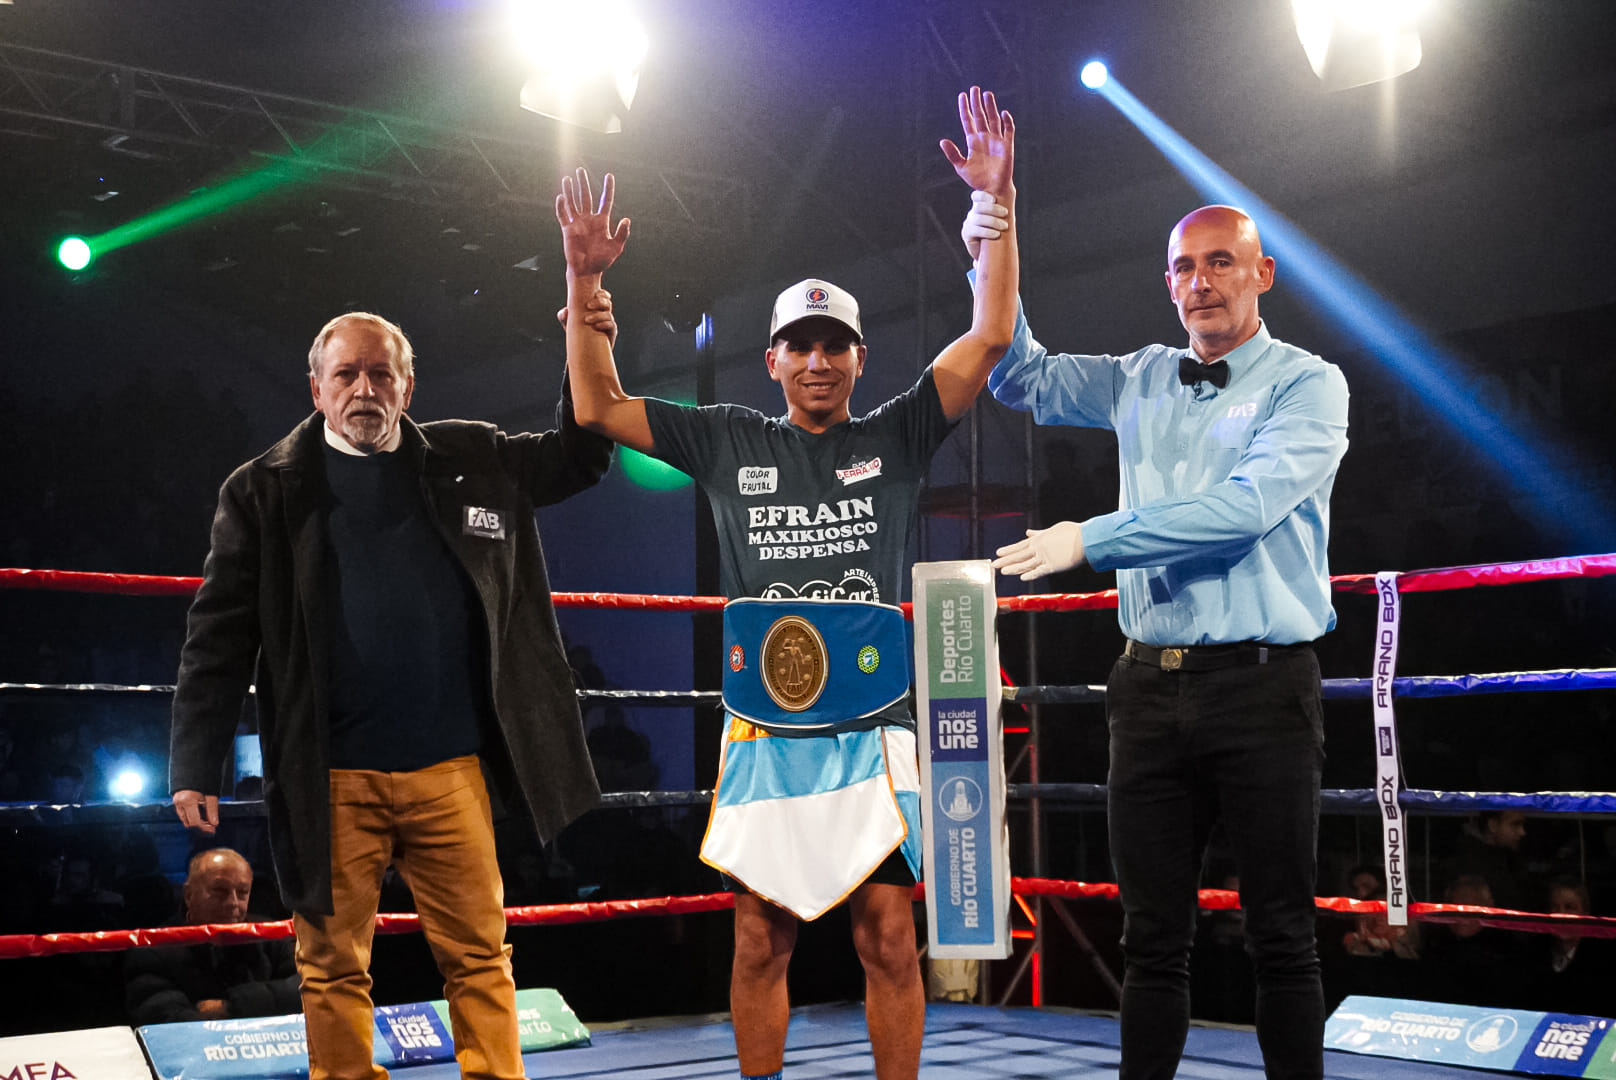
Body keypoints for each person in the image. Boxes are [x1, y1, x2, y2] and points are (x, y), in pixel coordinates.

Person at [555, 86, 1019, 1080]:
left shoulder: (893, 434)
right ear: (772, 361)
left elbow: (986, 337)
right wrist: (583, 283)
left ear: (857, 359)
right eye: (798, 345)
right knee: (758, 940)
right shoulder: (726, 438)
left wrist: (994, 210)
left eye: (833, 345)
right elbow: (594, 403)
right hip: (765, 729)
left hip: (873, 721)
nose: (816, 360)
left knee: (889, 938)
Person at [168, 311, 613, 1080]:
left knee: (480, 957)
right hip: (330, 775)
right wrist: (194, 760)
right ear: (317, 388)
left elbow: (581, 455)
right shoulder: (262, 489)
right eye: (347, 374)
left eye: (381, 373)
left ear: (409, 385)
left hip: (452, 769)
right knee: (332, 967)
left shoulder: (472, 456)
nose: (364, 389)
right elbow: (218, 632)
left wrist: (589, 330)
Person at [984, 203, 1349, 1079]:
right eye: (1185, 268)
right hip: (1146, 690)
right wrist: (989, 225)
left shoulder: (1309, 383)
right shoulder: (1139, 376)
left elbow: (1245, 512)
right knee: (1151, 940)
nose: (1201, 282)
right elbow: (1017, 376)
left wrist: (1093, 537)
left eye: (1221, 263)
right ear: (1168, 284)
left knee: (1282, 937)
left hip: (1262, 687)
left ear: (1261, 275)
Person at [125, 848, 301, 1025]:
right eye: (219, 890)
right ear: (189, 895)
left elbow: (305, 988)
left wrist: (231, 1007)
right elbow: (165, 1017)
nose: (233, 903)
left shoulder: (270, 934)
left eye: (242, 892)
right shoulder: (154, 948)